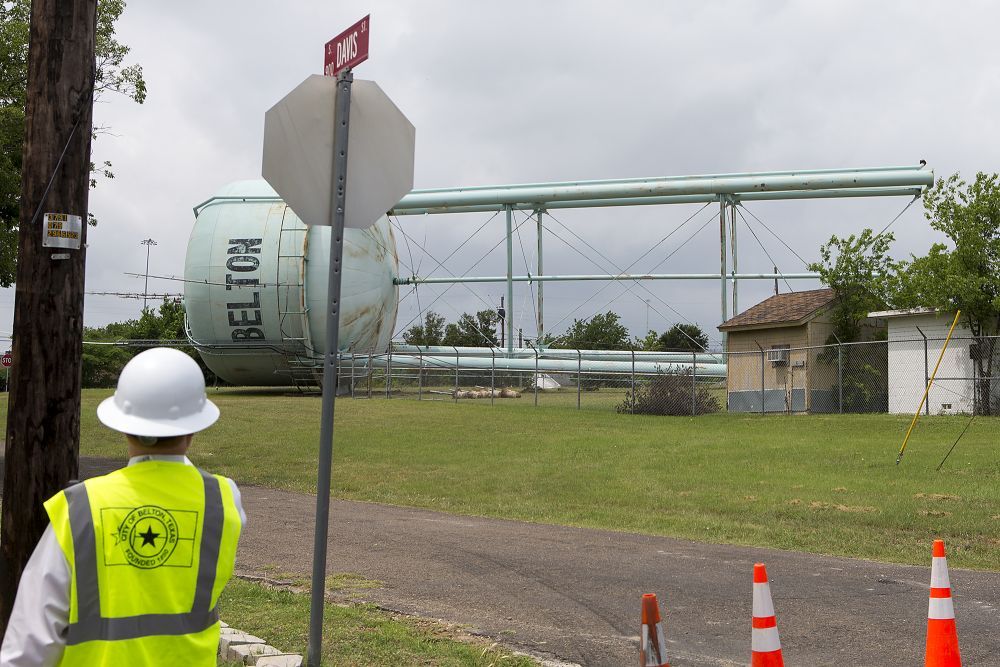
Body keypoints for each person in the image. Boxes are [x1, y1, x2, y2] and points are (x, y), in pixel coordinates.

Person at [1, 347, 245, 666]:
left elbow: (30, 645)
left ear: (122, 424)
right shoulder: (224, 500)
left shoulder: (82, 508)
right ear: (194, 425)